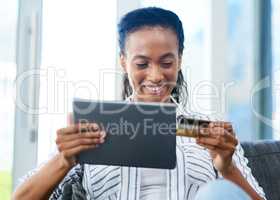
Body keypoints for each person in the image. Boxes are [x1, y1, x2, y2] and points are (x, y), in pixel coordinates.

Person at [13, 7, 266, 200]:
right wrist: (64, 160)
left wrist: (227, 166)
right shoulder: (94, 128)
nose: (156, 76)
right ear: (123, 61)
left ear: (179, 60)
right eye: (142, 64)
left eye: (166, 63)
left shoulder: (209, 133)